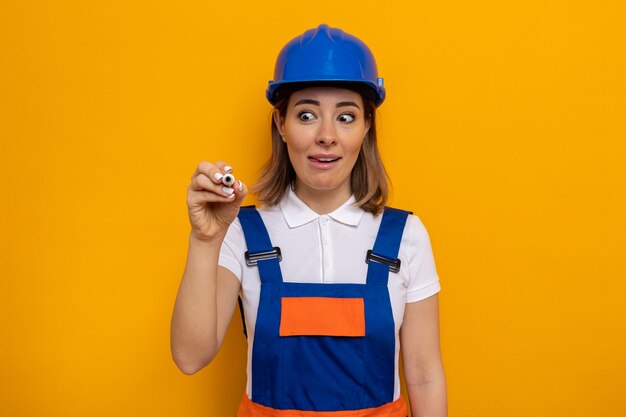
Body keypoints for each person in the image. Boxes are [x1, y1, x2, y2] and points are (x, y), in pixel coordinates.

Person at [171, 24, 447, 417]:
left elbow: (424, 375)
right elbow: (189, 356)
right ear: (281, 125)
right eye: (306, 114)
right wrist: (204, 241)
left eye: (346, 117)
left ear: (367, 126)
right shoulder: (243, 233)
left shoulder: (404, 236)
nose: (326, 136)